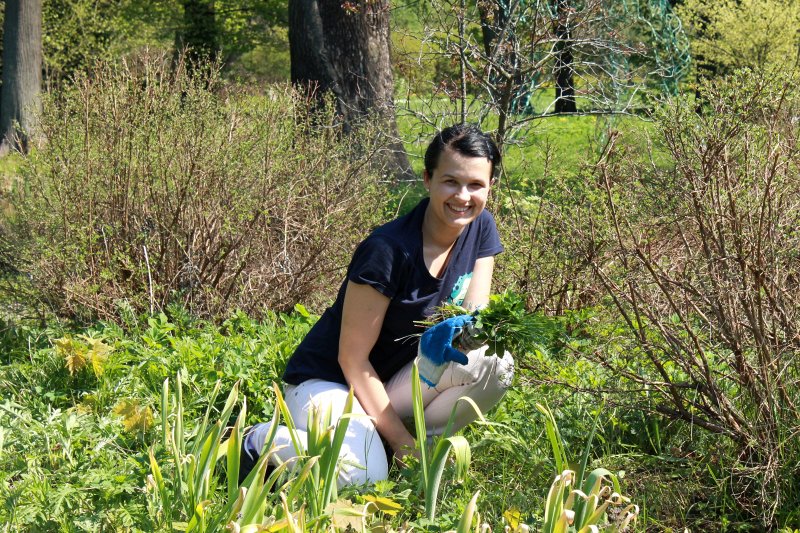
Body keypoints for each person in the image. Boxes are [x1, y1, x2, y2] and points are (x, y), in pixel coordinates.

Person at [240, 123, 514, 487]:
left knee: (495, 361)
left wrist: (466, 330)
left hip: (395, 383)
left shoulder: (480, 227)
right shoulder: (387, 250)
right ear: (427, 179)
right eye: (450, 181)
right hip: (333, 383)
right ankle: (252, 441)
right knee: (362, 476)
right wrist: (402, 445)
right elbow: (351, 360)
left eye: (476, 185)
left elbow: (475, 314)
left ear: (490, 187)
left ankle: (415, 449)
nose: (463, 196)